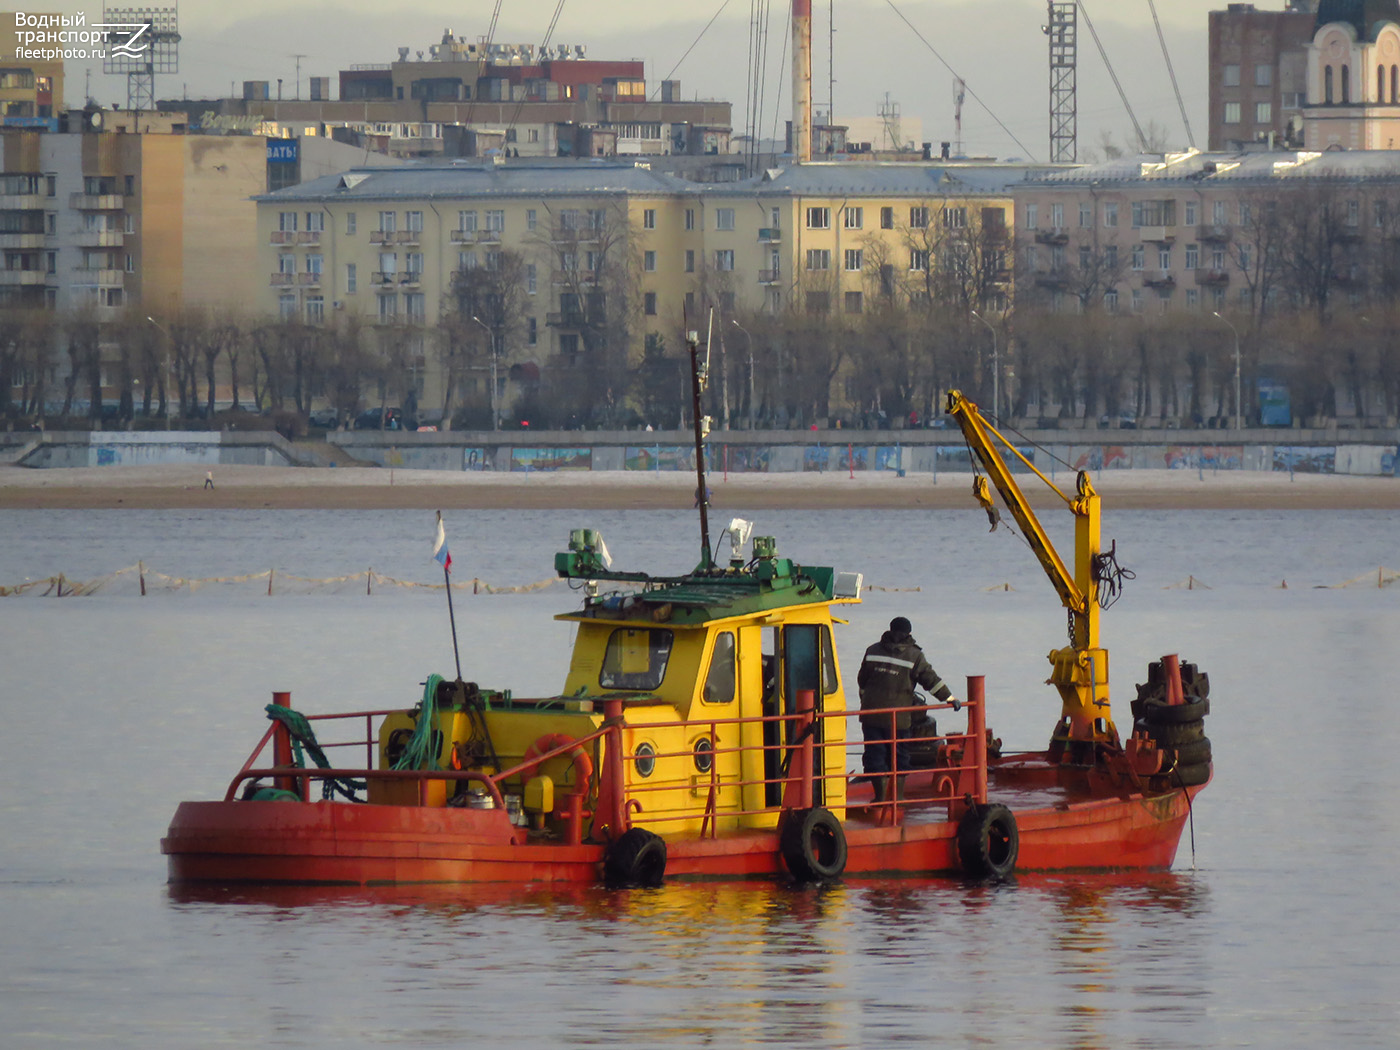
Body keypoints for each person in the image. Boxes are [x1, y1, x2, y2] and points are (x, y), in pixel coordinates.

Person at [857, 616, 958, 802]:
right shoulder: (914, 655)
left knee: (875, 755)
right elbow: (931, 680)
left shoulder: (872, 650)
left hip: (871, 715)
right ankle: (898, 799)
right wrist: (950, 698)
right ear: (909, 633)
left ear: (890, 629)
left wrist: (866, 699)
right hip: (899, 719)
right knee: (899, 756)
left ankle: (880, 798)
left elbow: (862, 680)